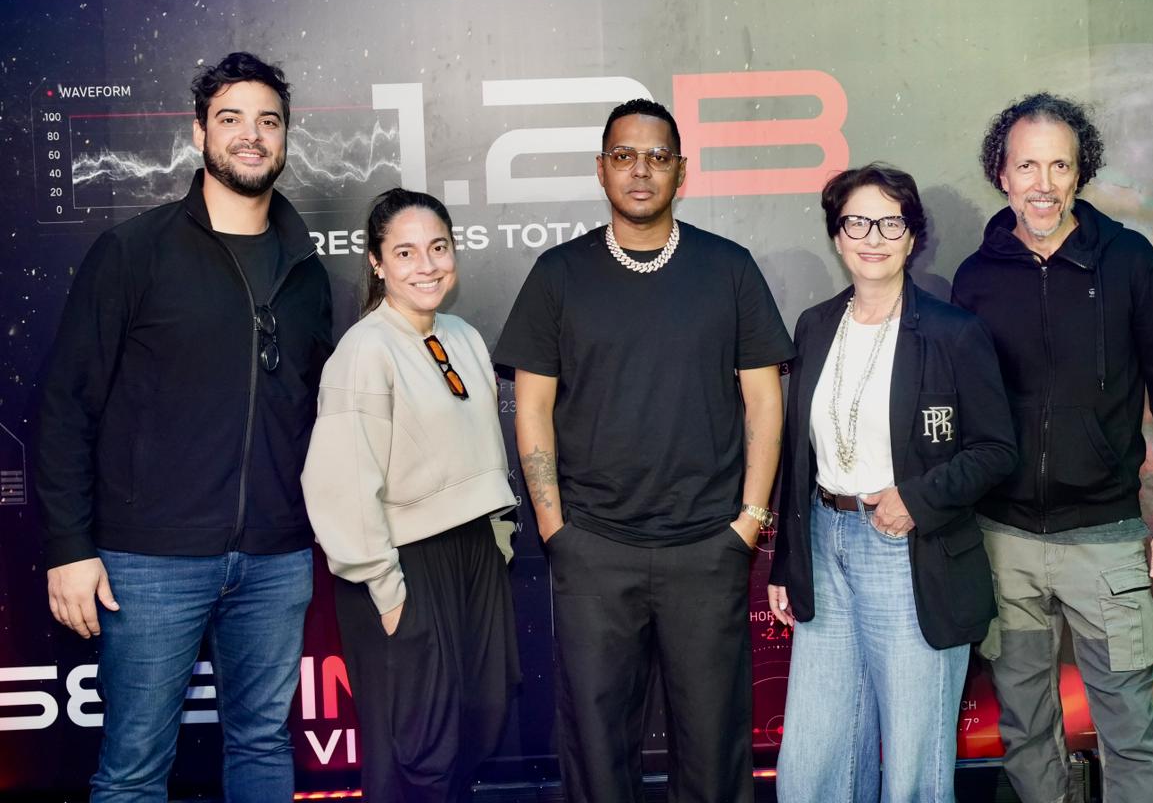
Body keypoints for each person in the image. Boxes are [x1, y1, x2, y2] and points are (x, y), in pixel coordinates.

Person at [36, 52, 333, 802]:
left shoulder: (307, 270)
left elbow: (315, 413)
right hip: (148, 561)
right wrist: (70, 548)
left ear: (285, 138)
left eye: (268, 121)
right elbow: (66, 406)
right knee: (135, 768)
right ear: (199, 133)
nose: (251, 135)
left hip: (275, 557)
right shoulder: (133, 252)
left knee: (263, 745)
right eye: (231, 119)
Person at [494, 98, 794, 802]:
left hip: (707, 548)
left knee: (714, 752)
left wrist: (749, 521)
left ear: (681, 172)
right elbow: (531, 407)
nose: (640, 170)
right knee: (598, 754)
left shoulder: (728, 268)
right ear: (601, 169)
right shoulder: (559, 274)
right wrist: (555, 529)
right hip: (594, 549)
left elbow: (764, 400)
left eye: (657, 157)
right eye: (624, 156)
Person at [952, 92, 1153, 803]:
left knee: (1130, 733)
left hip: (1106, 537)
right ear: (1002, 174)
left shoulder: (1129, 261)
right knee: (1026, 731)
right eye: (1027, 166)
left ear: (1079, 171)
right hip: (1004, 540)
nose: (1043, 184)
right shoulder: (977, 277)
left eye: (1059, 165)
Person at [767, 163, 1017, 802]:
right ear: (837, 235)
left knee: (912, 766)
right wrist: (786, 562)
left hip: (910, 552)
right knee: (813, 763)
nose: (872, 237)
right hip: (825, 546)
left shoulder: (953, 332)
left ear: (912, 238)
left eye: (890, 223)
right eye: (856, 222)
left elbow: (996, 450)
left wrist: (918, 499)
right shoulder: (814, 325)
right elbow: (799, 455)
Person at [301, 188, 520, 803]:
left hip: (474, 558)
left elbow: (482, 451)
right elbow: (340, 482)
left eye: (438, 248)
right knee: (418, 748)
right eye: (404, 252)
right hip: (403, 565)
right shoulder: (364, 350)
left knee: (478, 722)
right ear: (377, 263)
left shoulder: (463, 336)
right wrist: (386, 588)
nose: (426, 265)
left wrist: (497, 536)